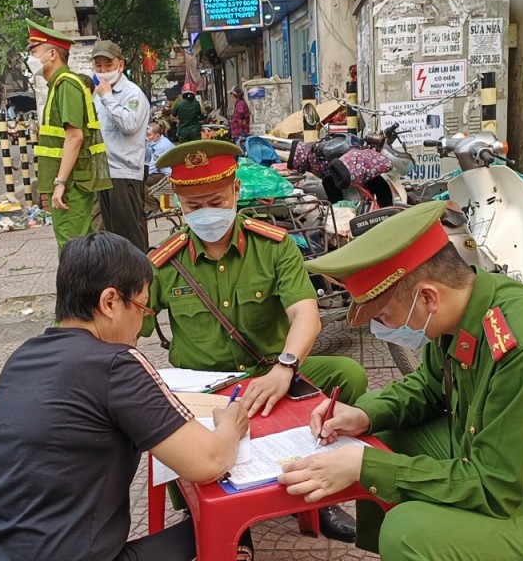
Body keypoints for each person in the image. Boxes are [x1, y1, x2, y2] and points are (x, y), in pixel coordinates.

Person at [278, 201, 523, 559]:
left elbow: (494, 486)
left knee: (407, 530)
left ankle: (423, 548)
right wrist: (364, 415)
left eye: (383, 316)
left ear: (428, 297)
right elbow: (427, 388)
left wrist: (365, 467)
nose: (380, 329)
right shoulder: (461, 309)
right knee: (385, 439)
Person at [0, 232, 249, 561]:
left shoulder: (23, 357)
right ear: (109, 302)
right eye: (142, 308)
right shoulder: (115, 362)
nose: (141, 323)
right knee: (231, 525)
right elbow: (209, 462)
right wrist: (230, 424)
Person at [141, 140, 367, 545]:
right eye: (193, 207)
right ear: (177, 205)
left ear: (235, 191)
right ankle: (204, 515)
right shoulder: (163, 263)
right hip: (204, 389)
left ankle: (318, 491)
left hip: (267, 372)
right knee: (160, 415)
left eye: (214, 200)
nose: (205, 213)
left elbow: (305, 313)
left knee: (345, 375)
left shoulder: (274, 246)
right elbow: (127, 323)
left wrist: (285, 367)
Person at [25, 20, 111, 253]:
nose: (30, 57)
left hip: (71, 184)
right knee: (82, 248)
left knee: (72, 249)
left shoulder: (66, 86)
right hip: (72, 182)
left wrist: (60, 183)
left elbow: (75, 137)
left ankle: (79, 290)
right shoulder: (60, 85)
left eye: (34, 51)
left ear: (52, 54)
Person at [92, 39, 151, 253]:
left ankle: (142, 282)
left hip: (125, 173)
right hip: (104, 172)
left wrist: (108, 97)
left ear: (120, 65)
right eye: (98, 66)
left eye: (108, 65)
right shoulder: (97, 95)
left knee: (129, 235)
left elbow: (129, 124)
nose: (103, 70)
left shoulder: (132, 94)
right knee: (111, 235)